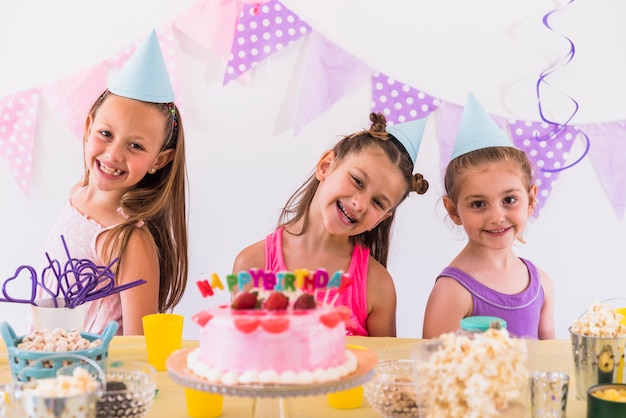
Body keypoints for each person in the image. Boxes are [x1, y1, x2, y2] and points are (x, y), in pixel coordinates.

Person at [41, 30, 188, 335]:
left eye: (136, 146)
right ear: (88, 125)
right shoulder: (77, 195)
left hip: (94, 376)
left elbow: (138, 347)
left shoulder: (128, 241)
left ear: (159, 160)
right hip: (47, 365)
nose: (113, 154)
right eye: (106, 134)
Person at [233, 113, 430, 337]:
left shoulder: (377, 286)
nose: (360, 203)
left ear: (382, 218)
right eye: (357, 181)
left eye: (378, 202)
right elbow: (241, 358)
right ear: (326, 166)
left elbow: (385, 368)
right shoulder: (253, 264)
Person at [422, 92, 555, 340]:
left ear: (531, 199)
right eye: (479, 204)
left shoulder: (543, 285)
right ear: (453, 211)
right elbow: (435, 372)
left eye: (509, 200)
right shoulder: (452, 292)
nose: (496, 217)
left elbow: (549, 361)